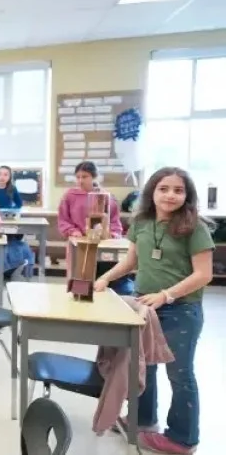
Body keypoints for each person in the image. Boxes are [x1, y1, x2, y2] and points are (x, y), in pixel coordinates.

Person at [94, 167, 213, 454]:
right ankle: (143, 420)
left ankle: (183, 439)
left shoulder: (195, 226)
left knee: (179, 374)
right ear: (152, 192)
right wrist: (106, 277)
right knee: (143, 366)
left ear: (187, 195)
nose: (171, 195)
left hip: (180, 311)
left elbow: (203, 274)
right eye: (164, 189)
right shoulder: (142, 222)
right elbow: (132, 261)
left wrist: (166, 295)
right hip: (143, 306)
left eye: (178, 190)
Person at [57, 161, 132, 294]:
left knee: (101, 280)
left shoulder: (106, 197)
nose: (80, 180)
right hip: (79, 244)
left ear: (94, 177)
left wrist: (111, 233)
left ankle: (104, 303)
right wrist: (72, 231)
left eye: (85, 176)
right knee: (80, 279)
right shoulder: (69, 196)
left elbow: (115, 221)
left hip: (102, 244)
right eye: (78, 177)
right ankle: (80, 302)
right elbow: (63, 219)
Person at [0, 165, 35, 280]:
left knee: (11, 243)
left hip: (8, 221)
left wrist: (10, 210)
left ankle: (8, 269)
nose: (2, 177)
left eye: (5, 174)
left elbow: (19, 204)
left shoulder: (12, 189)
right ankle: (3, 270)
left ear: (10, 177)